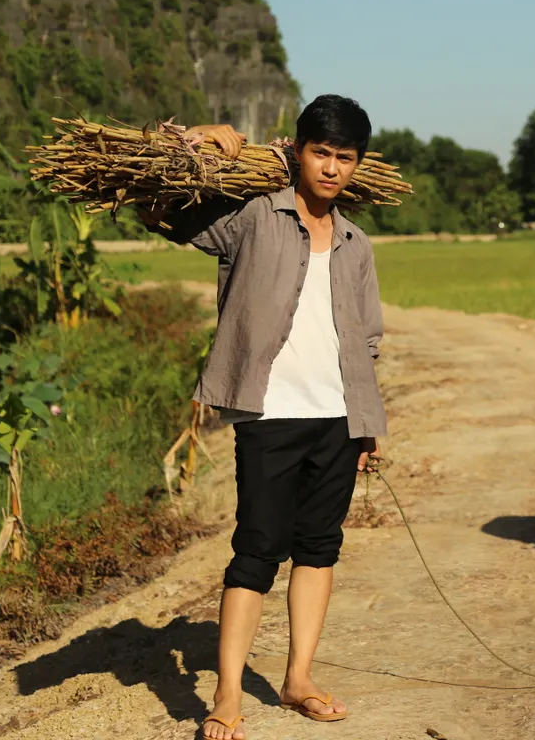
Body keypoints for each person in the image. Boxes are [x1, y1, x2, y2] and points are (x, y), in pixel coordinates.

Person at [140, 95, 387, 740]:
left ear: (358, 165)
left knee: (319, 548)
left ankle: (298, 676)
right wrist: (188, 141)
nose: (331, 168)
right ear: (297, 152)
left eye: (345, 158)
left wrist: (368, 422)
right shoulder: (252, 215)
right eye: (321, 152)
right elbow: (158, 209)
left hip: (337, 416)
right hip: (269, 412)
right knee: (255, 550)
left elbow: (366, 340)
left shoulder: (357, 244)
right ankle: (226, 695)